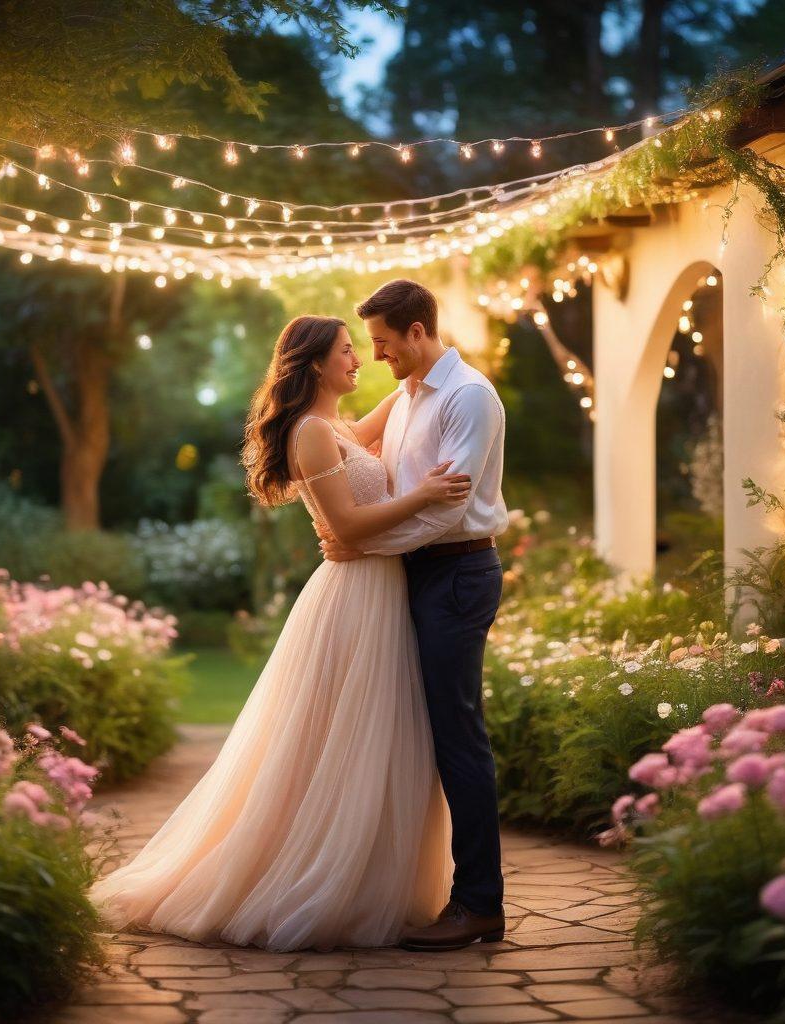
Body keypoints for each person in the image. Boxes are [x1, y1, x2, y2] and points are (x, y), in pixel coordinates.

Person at [88, 312, 477, 952]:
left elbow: (396, 404)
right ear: (316, 363)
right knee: (333, 736)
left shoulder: (338, 428)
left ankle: (364, 876)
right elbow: (347, 527)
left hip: (381, 589)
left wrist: (426, 363)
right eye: (348, 351)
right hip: (354, 595)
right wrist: (427, 493)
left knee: (373, 733)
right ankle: (308, 875)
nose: (360, 360)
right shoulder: (311, 433)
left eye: (363, 348)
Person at [318, 279, 509, 951]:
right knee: (421, 732)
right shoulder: (408, 396)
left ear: (418, 332)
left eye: (383, 342)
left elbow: (447, 509)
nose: (376, 356)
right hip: (419, 572)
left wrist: (362, 545)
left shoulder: (468, 397)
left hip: (457, 572)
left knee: (458, 735)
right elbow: (354, 453)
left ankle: (479, 903)